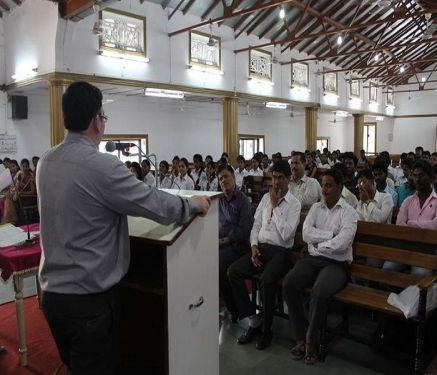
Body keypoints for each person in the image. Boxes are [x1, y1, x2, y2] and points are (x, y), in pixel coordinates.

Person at [37, 81, 211, 375]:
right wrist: (192, 205)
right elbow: (152, 202)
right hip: (88, 302)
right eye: (103, 117)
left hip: (52, 297)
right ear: (96, 120)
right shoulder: (101, 166)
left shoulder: (46, 161)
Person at [283, 169, 358, 365]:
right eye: (323, 184)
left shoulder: (349, 212)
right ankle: (301, 335)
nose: (324, 189)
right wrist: (329, 235)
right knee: (289, 283)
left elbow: (342, 243)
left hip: (337, 264)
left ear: (340, 187)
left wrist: (319, 245)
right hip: (313, 259)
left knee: (319, 291)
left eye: (329, 185)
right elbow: (306, 234)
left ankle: (310, 341)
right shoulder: (316, 208)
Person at [228, 160, 301, 350]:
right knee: (233, 271)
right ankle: (254, 321)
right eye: (273, 178)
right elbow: (256, 226)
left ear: (288, 179)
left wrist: (276, 207)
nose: (276, 182)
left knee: (267, 281)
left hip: (281, 253)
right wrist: (253, 247)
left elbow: (287, 235)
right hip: (261, 248)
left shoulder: (294, 204)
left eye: (280, 178)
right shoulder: (264, 199)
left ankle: (267, 330)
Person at [383, 160, 437, 276]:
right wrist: (423, 226)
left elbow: (435, 226)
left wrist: (411, 223)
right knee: (387, 268)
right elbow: (400, 224)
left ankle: (419, 294)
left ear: (431, 178)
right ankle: (399, 294)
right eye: (415, 175)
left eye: (421, 175)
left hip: (428, 251)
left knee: (419, 274)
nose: (417, 179)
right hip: (407, 247)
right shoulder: (408, 201)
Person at [217, 164, 253, 322]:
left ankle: (236, 309)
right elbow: (217, 224)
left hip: (239, 245)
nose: (223, 181)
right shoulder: (219, 200)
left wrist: (225, 240)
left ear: (233, 178)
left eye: (226, 177)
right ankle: (231, 308)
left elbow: (245, 228)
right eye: (220, 179)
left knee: (220, 263)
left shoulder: (243, 200)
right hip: (222, 243)